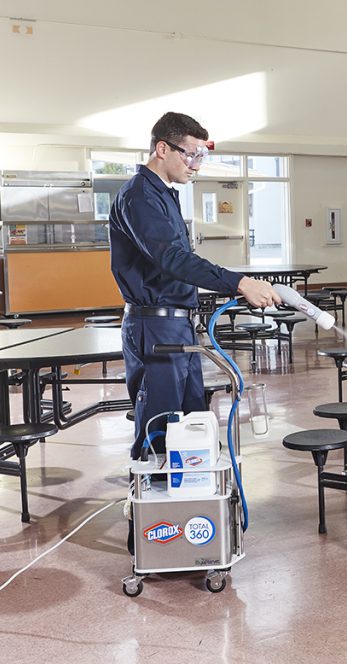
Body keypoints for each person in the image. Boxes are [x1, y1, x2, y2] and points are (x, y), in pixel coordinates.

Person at [109, 111, 281, 460]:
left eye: (203, 155)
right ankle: (155, 500)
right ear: (162, 148)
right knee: (161, 424)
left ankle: (194, 497)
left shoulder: (164, 194)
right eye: (191, 154)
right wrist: (238, 282)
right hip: (155, 326)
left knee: (191, 420)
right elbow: (171, 258)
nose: (197, 165)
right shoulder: (139, 197)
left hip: (177, 323)